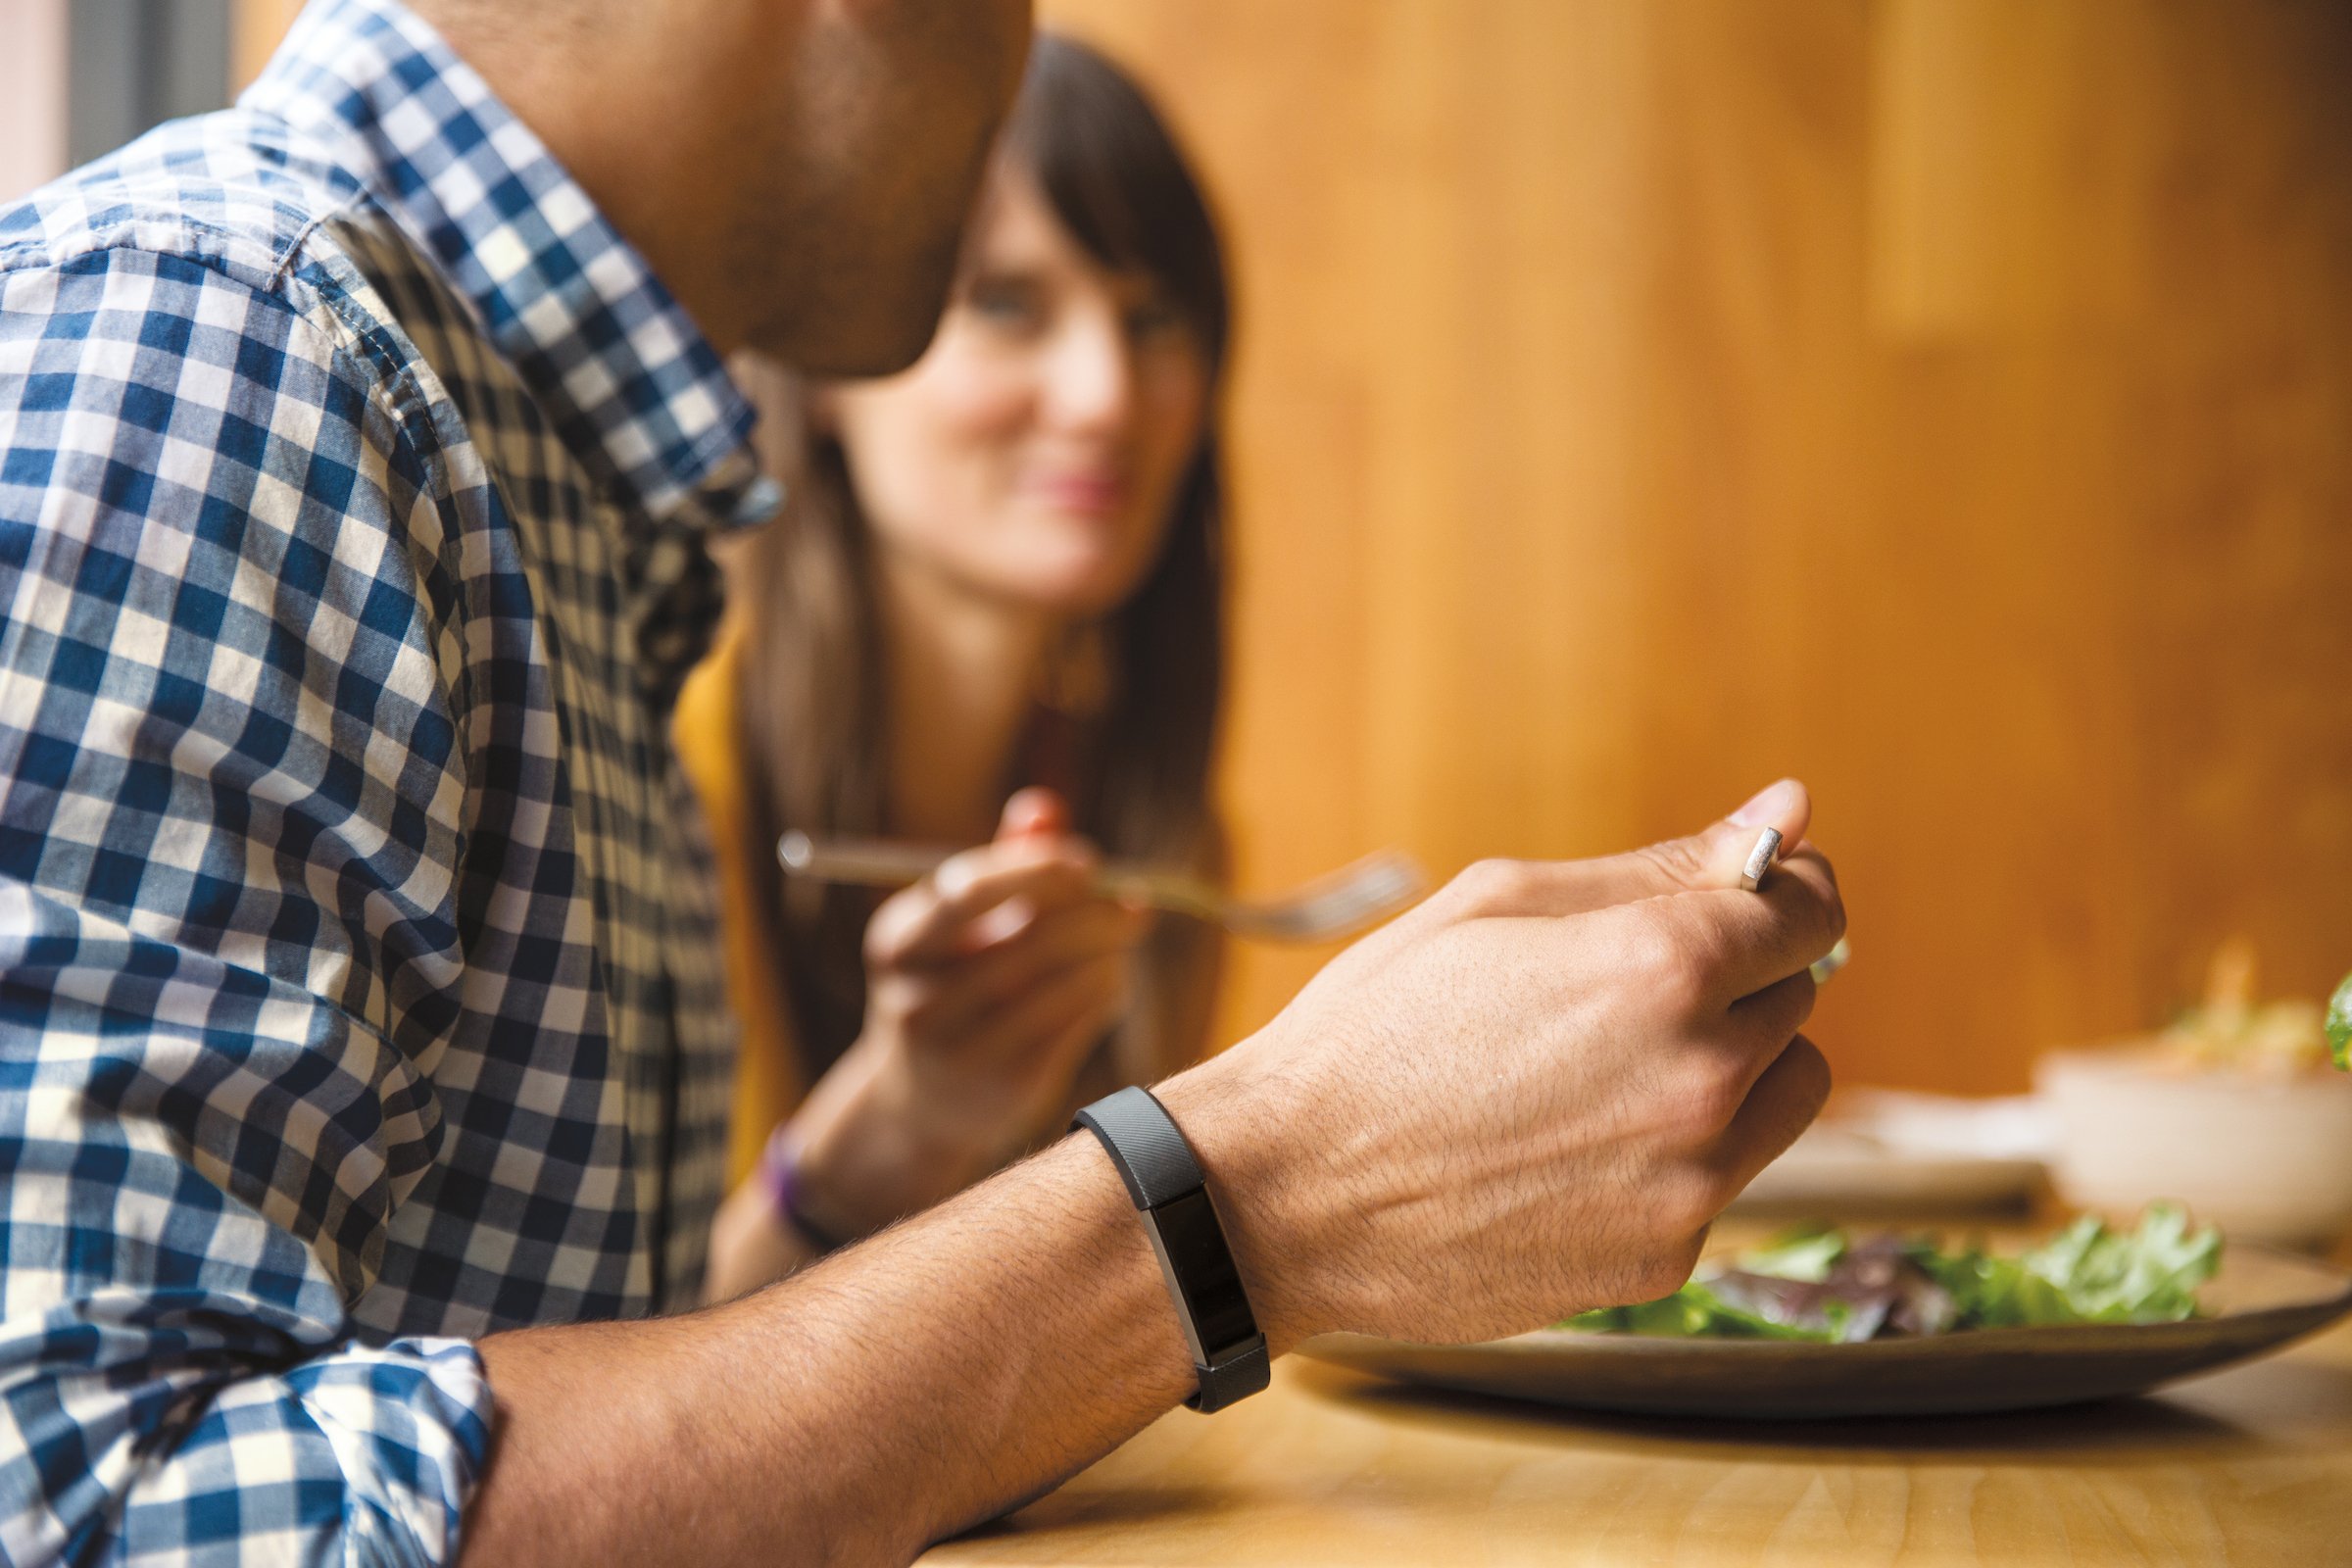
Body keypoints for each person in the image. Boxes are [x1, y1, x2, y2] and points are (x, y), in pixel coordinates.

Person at [0, 0, 1841, 1563]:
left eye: (1152, 320)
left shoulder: (529, 483)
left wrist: (905, 1143)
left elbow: (561, 1387)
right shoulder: (217, 341)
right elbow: (89, 1509)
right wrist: (1249, 1199)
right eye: (1017, 307)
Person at [681, 34, 1229, 1300]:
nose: (1102, 396)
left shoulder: (1156, 843)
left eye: (1153, 319)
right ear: (826, 365)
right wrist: (876, 1140)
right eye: (1004, 303)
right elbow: (584, 1400)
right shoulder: (673, 780)